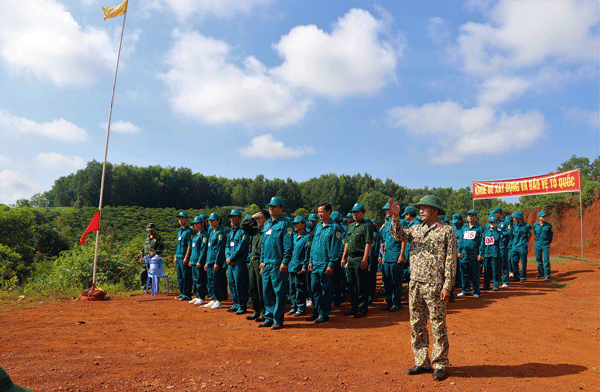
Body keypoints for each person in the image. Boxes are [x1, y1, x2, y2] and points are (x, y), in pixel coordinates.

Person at [387, 195, 457, 382]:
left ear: (435, 210)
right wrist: (395, 217)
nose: (421, 211)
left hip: (435, 285)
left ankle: (440, 363)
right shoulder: (415, 229)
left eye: (425, 208)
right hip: (415, 283)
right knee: (417, 324)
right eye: (420, 208)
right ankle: (422, 361)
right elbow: (398, 235)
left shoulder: (446, 231)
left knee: (438, 325)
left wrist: (447, 285)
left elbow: (451, 260)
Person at [259, 196, 294, 330]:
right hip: (267, 263)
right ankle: (268, 317)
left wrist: (285, 262)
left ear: (281, 208)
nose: (271, 209)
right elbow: (263, 244)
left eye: (274, 206)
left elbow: (288, 244)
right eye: (270, 206)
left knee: (279, 292)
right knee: (267, 291)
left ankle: (278, 319)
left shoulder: (286, 223)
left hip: (278, 263)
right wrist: (262, 260)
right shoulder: (267, 223)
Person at [306, 202, 343, 324]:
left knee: (326, 290)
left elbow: (335, 248)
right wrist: (310, 260)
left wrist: (331, 264)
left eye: (322, 211)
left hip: (326, 264)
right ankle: (316, 311)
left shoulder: (334, 228)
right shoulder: (317, 227)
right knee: (314, 289)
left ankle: (324, 314)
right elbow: (314, 245)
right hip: (315, 264)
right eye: (319, 212)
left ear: (329, 212)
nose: (320, 214)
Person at [341, 203, 373, 318]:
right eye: (353, 212)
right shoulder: (351, 226)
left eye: (357, 212)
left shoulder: (366, 225)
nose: (354, 214)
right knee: (352, 285)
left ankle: (362, 309)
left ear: (363, 213)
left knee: (361, 285)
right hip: (350, 258)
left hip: (360, 258)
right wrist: (343, 257)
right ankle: (354, 308)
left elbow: (368, 243)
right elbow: (346, 243)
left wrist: (365, 259)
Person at [225, 209, 250, 314]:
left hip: (239, 262)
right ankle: (235, 304)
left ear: (240, 218)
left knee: (240, 284)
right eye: (231, 217)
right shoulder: (231, 233)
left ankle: (242, 306)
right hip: (230, 263)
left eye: (234, 217)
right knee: (232, 284)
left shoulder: (243, 232)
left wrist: (232, 258)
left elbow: (241, 247)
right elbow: (227, 247)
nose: (231, 219)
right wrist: (227, 257)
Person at [381, 202, 404, 311]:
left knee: (396, 281)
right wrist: (382, 255)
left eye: (387, 209)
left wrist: (402, 254)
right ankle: (389, 302)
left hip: (396, 255)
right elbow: (384, 241)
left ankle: (397, 303)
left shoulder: (401, 222)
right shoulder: (385, 224)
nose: (386, 211)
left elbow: (404, 240)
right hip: (387, 256)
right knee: (387, 281)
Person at [287, 216, 311, 316]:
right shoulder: (294, 237)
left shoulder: (307, 237)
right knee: (292, 288)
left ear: (303, 224)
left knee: (300, 287)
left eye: (297, 223)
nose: (295, 225)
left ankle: (301, 308)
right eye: (294, 224)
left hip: (300, 266)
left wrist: (304, 266)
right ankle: (294, 307)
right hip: (292, 266)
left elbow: (307, 252)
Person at [204, 213, 227, 310]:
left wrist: (217, 262)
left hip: (216, 261)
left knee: (217, 281)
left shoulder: (220, 233)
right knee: (210, 280)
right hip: (210, 260)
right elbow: (209, 248)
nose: (211, 222)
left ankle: (218, 300)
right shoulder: (211, 232)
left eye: (213, 220)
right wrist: (206, 261)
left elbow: (220, 249)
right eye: (210, 220)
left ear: (218, 221)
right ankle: (213, 298)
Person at [457, 210, 483, 298]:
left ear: (476, 217)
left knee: (475, 274)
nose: (470, 217)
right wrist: (459, 251)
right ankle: (465, 290)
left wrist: (481, 253)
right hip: (464, 254)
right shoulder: (464, 228)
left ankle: (475, 291)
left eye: (472, 215)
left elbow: (481, 242)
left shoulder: (479, 228)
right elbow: (460, 241)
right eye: (469, 215)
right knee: (464, 273)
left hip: (474, 254)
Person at [173, 212, 194, 301]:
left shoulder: (190, 231)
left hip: (185, 257)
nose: (181, 220)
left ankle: (187, 294)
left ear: (186, 219)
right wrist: (176, 256)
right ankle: (182, 293)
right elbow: (178, 245)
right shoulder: (180, 232)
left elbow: (190, 245)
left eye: (182, 218)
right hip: (179, 257)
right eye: (179, 219)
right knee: (180, 276)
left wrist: (186, 257)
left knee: (186, 276)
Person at [189, 216, 208, 305]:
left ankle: (201, 297)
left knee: (200, 279)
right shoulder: (197, 235)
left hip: (199, 261)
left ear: (202, 224)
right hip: (194, 260)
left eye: (197, 223)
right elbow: (193, 249)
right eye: (194, 224)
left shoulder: (204, 235)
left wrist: (200, 261)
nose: (195, 225)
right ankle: (196, 296)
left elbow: (203, 249)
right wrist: (191, 259)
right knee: (195, 279)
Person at [480, 216, 502, 291]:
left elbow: (496, 238)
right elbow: (483, 242)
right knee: (486, 270)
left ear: (496, 223)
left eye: (493, 223)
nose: (492, 224)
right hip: (487, 252)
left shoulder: (498, 232)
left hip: (494, 252)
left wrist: (494, 230)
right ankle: (486, 285)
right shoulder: (485, 232)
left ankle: (495, 285)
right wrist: (481, 252)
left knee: (495, 269)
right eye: (490, 223)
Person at [139, 222, 164, 288]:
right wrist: (141, 257)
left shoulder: (158, 238)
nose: (150, 231)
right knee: (143, 272)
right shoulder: (146, 237)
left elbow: (160, 249)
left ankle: (153, 287)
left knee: (153, 273)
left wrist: (153, 254)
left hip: (154, 259)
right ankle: (144, 286)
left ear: (155, 229)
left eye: (151, 230)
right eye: (149, 230)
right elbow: (143, 248)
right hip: (145, 258)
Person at [511, 211, 532, 281]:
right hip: (515, 246)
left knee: (523, 262)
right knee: (513, 261)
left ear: (518, 217)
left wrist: (525, 244)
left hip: (522, 246)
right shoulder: (514, 225)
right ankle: (516, 276)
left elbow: (529, 236)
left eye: (514, 217)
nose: (513, 218)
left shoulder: (527, 226)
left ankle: (523, 277)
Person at [533, 211, 553, 280]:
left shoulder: (549, 226)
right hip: (537, 245)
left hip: (545, 245)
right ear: (539, 217)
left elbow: (551, 236)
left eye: (545, 216)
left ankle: (547, 275)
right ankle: (541, 274)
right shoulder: (535, 225)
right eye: (543, 216)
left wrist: (547, 243)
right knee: (539, 260)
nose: (544, 218)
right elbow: (535, 233)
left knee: (546, 259)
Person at [449, 213, 464, 302]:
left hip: (461, 252)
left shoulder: (463, 228)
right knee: (455, 269)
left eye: (456, 221)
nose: (455, 223)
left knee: (462, 269)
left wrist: (460, 251)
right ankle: (456, 283)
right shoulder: (453, 228)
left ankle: (462, 284)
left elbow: (462, 241)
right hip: (453, 252)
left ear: (460, 220)